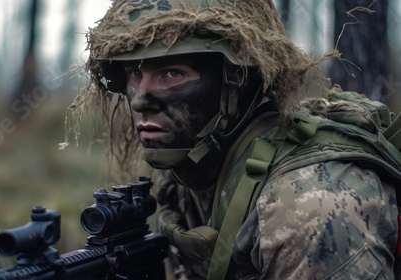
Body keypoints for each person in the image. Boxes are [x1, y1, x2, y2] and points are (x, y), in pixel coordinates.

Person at [66, 0, 401, 279]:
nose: (140, 99)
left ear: (237, 82)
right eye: (135, 74)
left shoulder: (308, 206)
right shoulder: (196, 167)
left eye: (172, 74)